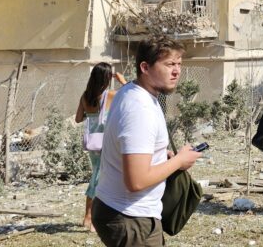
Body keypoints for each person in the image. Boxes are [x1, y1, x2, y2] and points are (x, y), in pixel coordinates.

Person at [92, 38, 203, 247]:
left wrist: (161, 156)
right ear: (145, 67)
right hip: (130, 217)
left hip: (122, 211)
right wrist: (179, 161)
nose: (177, 71)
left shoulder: (132, 91)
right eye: (169, 64)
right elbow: (137, 181)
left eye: (179, 64)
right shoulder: (139, 109)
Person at [75, 63, 126, 230]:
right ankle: (88, 217)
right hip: (107, 143)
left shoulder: (85, 96)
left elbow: (78, 118)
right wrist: (122, 81)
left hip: (93, 144)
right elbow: (131, 92)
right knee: (98, 178)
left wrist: (92, 116)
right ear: (107, 78)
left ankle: (94, 216)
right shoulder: (110, 95)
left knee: (98, 175)